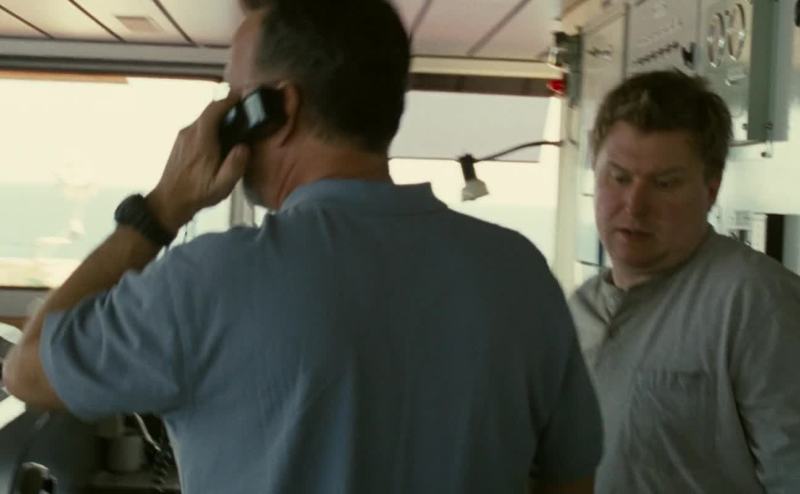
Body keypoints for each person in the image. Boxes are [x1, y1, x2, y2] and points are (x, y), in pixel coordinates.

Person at [2, 0, 602, 492]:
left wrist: (160, 209)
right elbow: (570, 478)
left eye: (234, 97)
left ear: (277, 109)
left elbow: (27, 370)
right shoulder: (519, 272)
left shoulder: (208, 280)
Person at [569, 70, 800, 493]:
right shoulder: (578, 310)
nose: (635, 205)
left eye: (665, 184)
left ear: (710, 190)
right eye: (619, 177)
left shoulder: (755, 300)